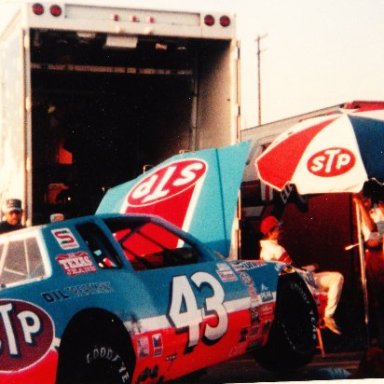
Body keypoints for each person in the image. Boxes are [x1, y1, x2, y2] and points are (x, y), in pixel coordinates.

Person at [259, 215, 344, 335]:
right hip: (301, 283)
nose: (280, 230)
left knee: (328, 288)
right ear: (270, 232)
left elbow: (288, 269)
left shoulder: (263, 251)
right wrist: (312, 268)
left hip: (289, 288)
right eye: (278, 228)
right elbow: (293, 271)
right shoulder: (277, 249)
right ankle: (328, 316)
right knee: (337, 278)